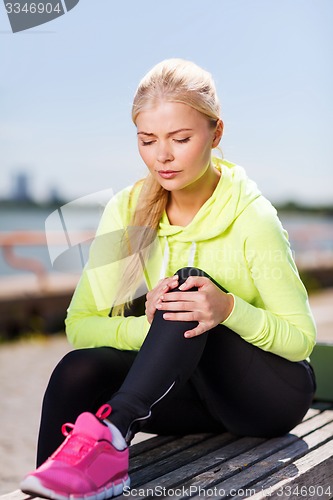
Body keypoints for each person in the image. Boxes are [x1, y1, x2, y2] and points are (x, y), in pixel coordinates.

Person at [20, 58, 316, 500]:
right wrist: (150, 323)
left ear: (215, 134)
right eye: (147, 140)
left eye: (181, 138)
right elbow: (80, 325)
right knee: (78, 369)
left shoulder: (253, 216)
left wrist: (229, 309)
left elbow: (300, 340)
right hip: (181, 398)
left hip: (264, 400)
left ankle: (113, 435)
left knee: (188, 286)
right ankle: (57, 481)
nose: (163, 155)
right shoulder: (126, 211)